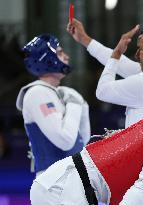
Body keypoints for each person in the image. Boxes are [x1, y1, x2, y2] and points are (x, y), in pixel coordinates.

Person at [67, 19, 143, 204]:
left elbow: (102, 90)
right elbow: (122, 65)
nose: (137, 55)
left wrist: (116, 53)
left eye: (140, 48)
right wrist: (84, 39)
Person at [16, 34, 91, 175]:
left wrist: (81, 105)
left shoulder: (59, 93)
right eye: (60, 53)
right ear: (47, 58)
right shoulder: (37, 93)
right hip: (52, 181)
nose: (67, 56)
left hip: (71, 176)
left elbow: (81, 142)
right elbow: (65, 141)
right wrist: (74, 105)